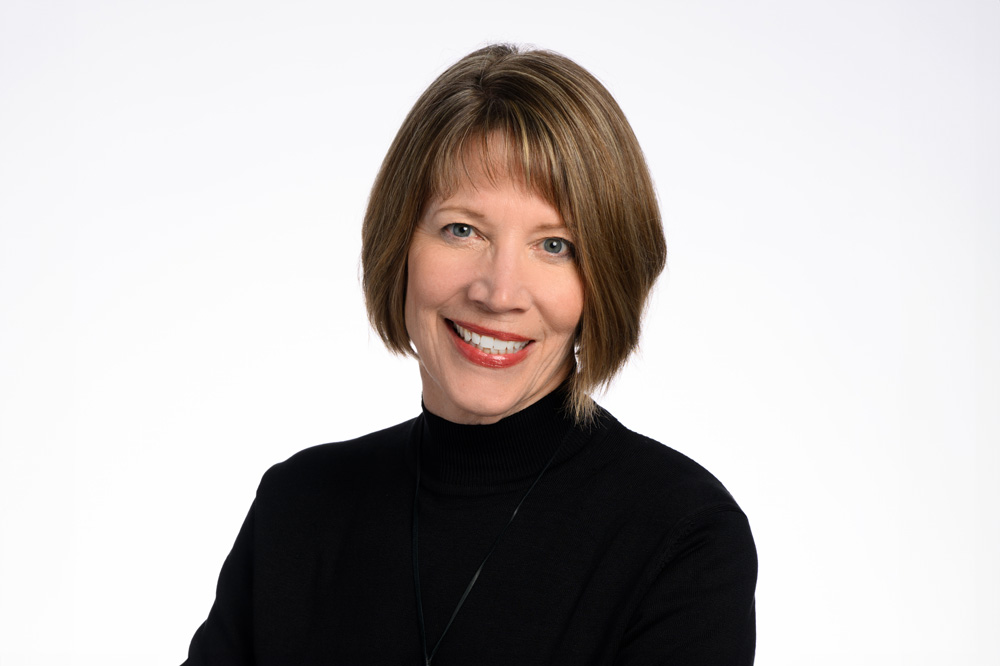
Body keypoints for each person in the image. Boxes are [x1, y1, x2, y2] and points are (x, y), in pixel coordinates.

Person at [182, 44, 757, 665]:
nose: (499, 292)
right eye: (463, 229)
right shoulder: (299, 508)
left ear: (605, 279)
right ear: (400, 242)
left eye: (555, 245)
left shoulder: (680, 535)